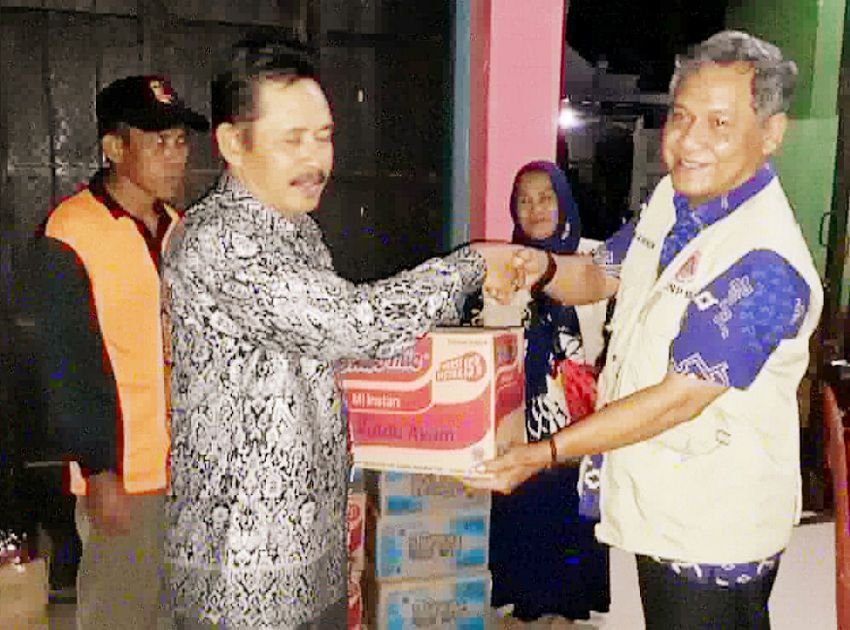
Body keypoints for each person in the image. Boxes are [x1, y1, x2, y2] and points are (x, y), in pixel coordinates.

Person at [468, 30, 823, 629]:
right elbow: (600, 274)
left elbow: (675, 400)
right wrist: (538, 267)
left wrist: (547, 452)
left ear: (771, 134)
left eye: (719, 123)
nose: (689, 141)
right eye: (681, 117)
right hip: (664, 500)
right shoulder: (671, 201)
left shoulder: (764, 263)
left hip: (713, 526)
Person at [161, 34, 514, 629]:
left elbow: (333, 351)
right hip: (242, 565)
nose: (317, 159)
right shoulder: (217, 239)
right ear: (232, 144)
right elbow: (353, 325)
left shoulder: (295, 230)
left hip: (310, 544)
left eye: (323, 136)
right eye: (293, 139)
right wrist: (471, 264)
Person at [32, 76, 208, 629]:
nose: (176, 156)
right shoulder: (72, 231)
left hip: (189, 469)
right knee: (120, 613)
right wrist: (99, 471)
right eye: (158, 142)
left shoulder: (181, 230)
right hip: (124, 476)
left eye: (180, 141)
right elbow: (67, 363)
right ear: (114, 147)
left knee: (176, 613)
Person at [472, 161, 610, 624]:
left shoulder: (594, 260)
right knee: (525, 507)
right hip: (522, 414)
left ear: (563, 202)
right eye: (524, 201)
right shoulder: (505, 265)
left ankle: (571, 605)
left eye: (545, 198)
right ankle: (524, 599)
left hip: (581, 415)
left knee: (573, 510)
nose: (535, 209)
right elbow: (489, 336)